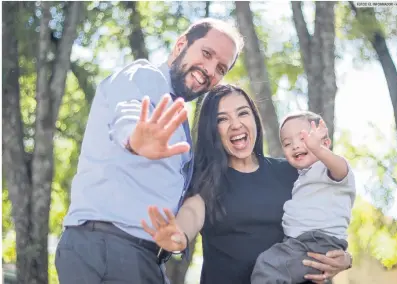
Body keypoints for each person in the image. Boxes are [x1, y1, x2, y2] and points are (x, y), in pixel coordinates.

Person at [55, 18, 244, 284]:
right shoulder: (146, 76)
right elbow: (130, 110)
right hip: (111, 249)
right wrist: (135, 138)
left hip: (138, 258)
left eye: (221, 68)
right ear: (180, 45)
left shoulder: (179, 124)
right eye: (206, 53)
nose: (210, 69)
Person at [142, 84, 353, 284]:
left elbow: (330, 210)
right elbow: (192, 213)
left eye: (243, 113)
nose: (236, 124)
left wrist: (345, 258)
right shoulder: (206, 179)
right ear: (212, 129)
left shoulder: (293, 171)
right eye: (222, 119)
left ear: (254, 118)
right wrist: (178, 234)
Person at [251, 111, 356, 284]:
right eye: (287, 143)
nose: (295, 146)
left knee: (267, 268)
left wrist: (318, 149)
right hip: (301, 243)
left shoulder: (328, 169)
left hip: (316, 241)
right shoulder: (301, 177)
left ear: (325, 142)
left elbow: (341, 169)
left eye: (303, 138)